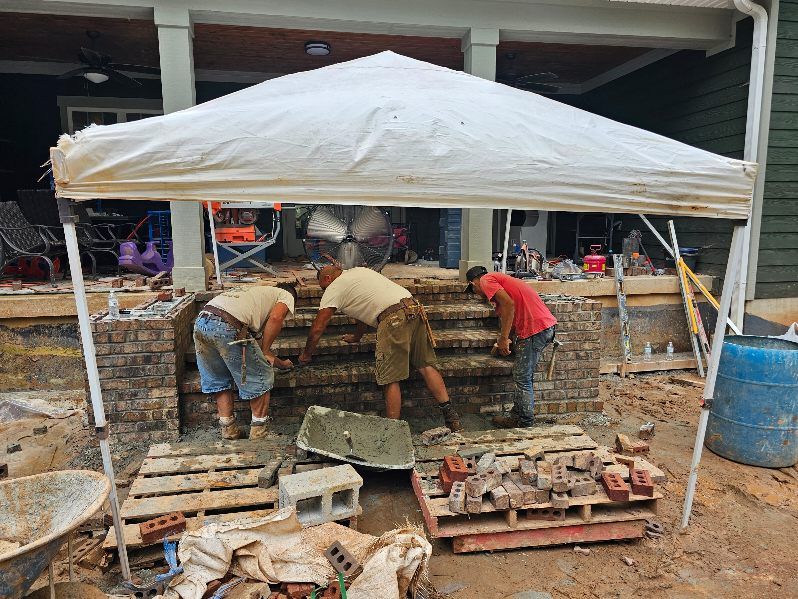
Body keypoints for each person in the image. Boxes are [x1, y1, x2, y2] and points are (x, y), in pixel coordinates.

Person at [298, 266, 462, 431]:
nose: (324, 291)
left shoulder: (333, 287)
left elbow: (318, 328)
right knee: (425, 366)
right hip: (413, 308)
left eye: (323, 287)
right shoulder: (358, 272)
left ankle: (392, 431)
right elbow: (363, 309)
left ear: (327, 278)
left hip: (393, 319)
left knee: (390, 377)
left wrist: (306, 354)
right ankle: (451, 417)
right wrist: (357, 337)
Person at [193, 283, 296, 440]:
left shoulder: (254, 294)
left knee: (219, 379)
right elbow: (276, 318)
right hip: (228, 325)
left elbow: (259, 354)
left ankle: (229, 430)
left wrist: (282, 364)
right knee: (260, 377)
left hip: (202, 323)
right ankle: (259, 434)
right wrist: (267, 350)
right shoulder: (285, 294)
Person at [465, 266, 557, 428]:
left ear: (474, 283)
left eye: (474, 290)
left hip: (535, 330)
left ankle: (525, 423)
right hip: (540, 328)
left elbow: (509, 305)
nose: (477, 294)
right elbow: (511, 315)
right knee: (523, 375)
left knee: (522, 377)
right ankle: (517, 415)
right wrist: (506, 338)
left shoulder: (486, 280)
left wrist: (503, 338)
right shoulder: (503, 282)